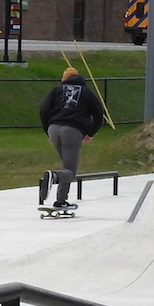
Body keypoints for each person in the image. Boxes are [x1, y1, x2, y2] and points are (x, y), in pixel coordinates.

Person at [38, 67, 104, 211]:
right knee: (70, 171)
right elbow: (99, 114)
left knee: (66, 165)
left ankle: (61, 201)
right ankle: (54, 177)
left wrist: (47, 130)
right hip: (72, 131)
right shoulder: (86, 92)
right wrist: (90, 133)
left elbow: (43, 109)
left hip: (53, 128)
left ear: (64, 79)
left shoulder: (56, 90)